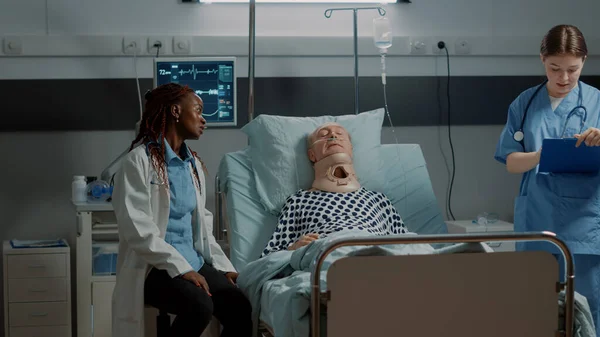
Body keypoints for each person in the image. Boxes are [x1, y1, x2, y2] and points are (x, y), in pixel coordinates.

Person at [111, 83, 252, 337]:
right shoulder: (138, 162)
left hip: (194, 260)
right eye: (198, 110)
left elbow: (203, 226)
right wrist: (181, 268)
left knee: (240, 307)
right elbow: (137, 229)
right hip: (155, 267)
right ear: (176, 111)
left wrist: (223, 266)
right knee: (199, 306)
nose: (203, 119)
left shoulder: (193, 165)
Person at [494, 24, 600, 334]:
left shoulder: (597, 101)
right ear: (543, 60)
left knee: (589, 309)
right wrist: (545, 154)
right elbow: (511, 163)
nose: (564, 78)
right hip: (538, 217)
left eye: (573, 69)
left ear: (585, 62)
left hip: (584, 222)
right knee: (537, 308)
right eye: (555, 68)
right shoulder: (525, 104)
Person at [261, 122, 408, 257]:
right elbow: (269, 257)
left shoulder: (378, 200)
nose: (333, 136)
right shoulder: (299, 200)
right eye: (324, 135)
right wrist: (294, 248)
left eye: (340, 134)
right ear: (311, 155)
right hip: (326, 250)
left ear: (351, 150)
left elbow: (408, 244)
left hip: (376, 252)